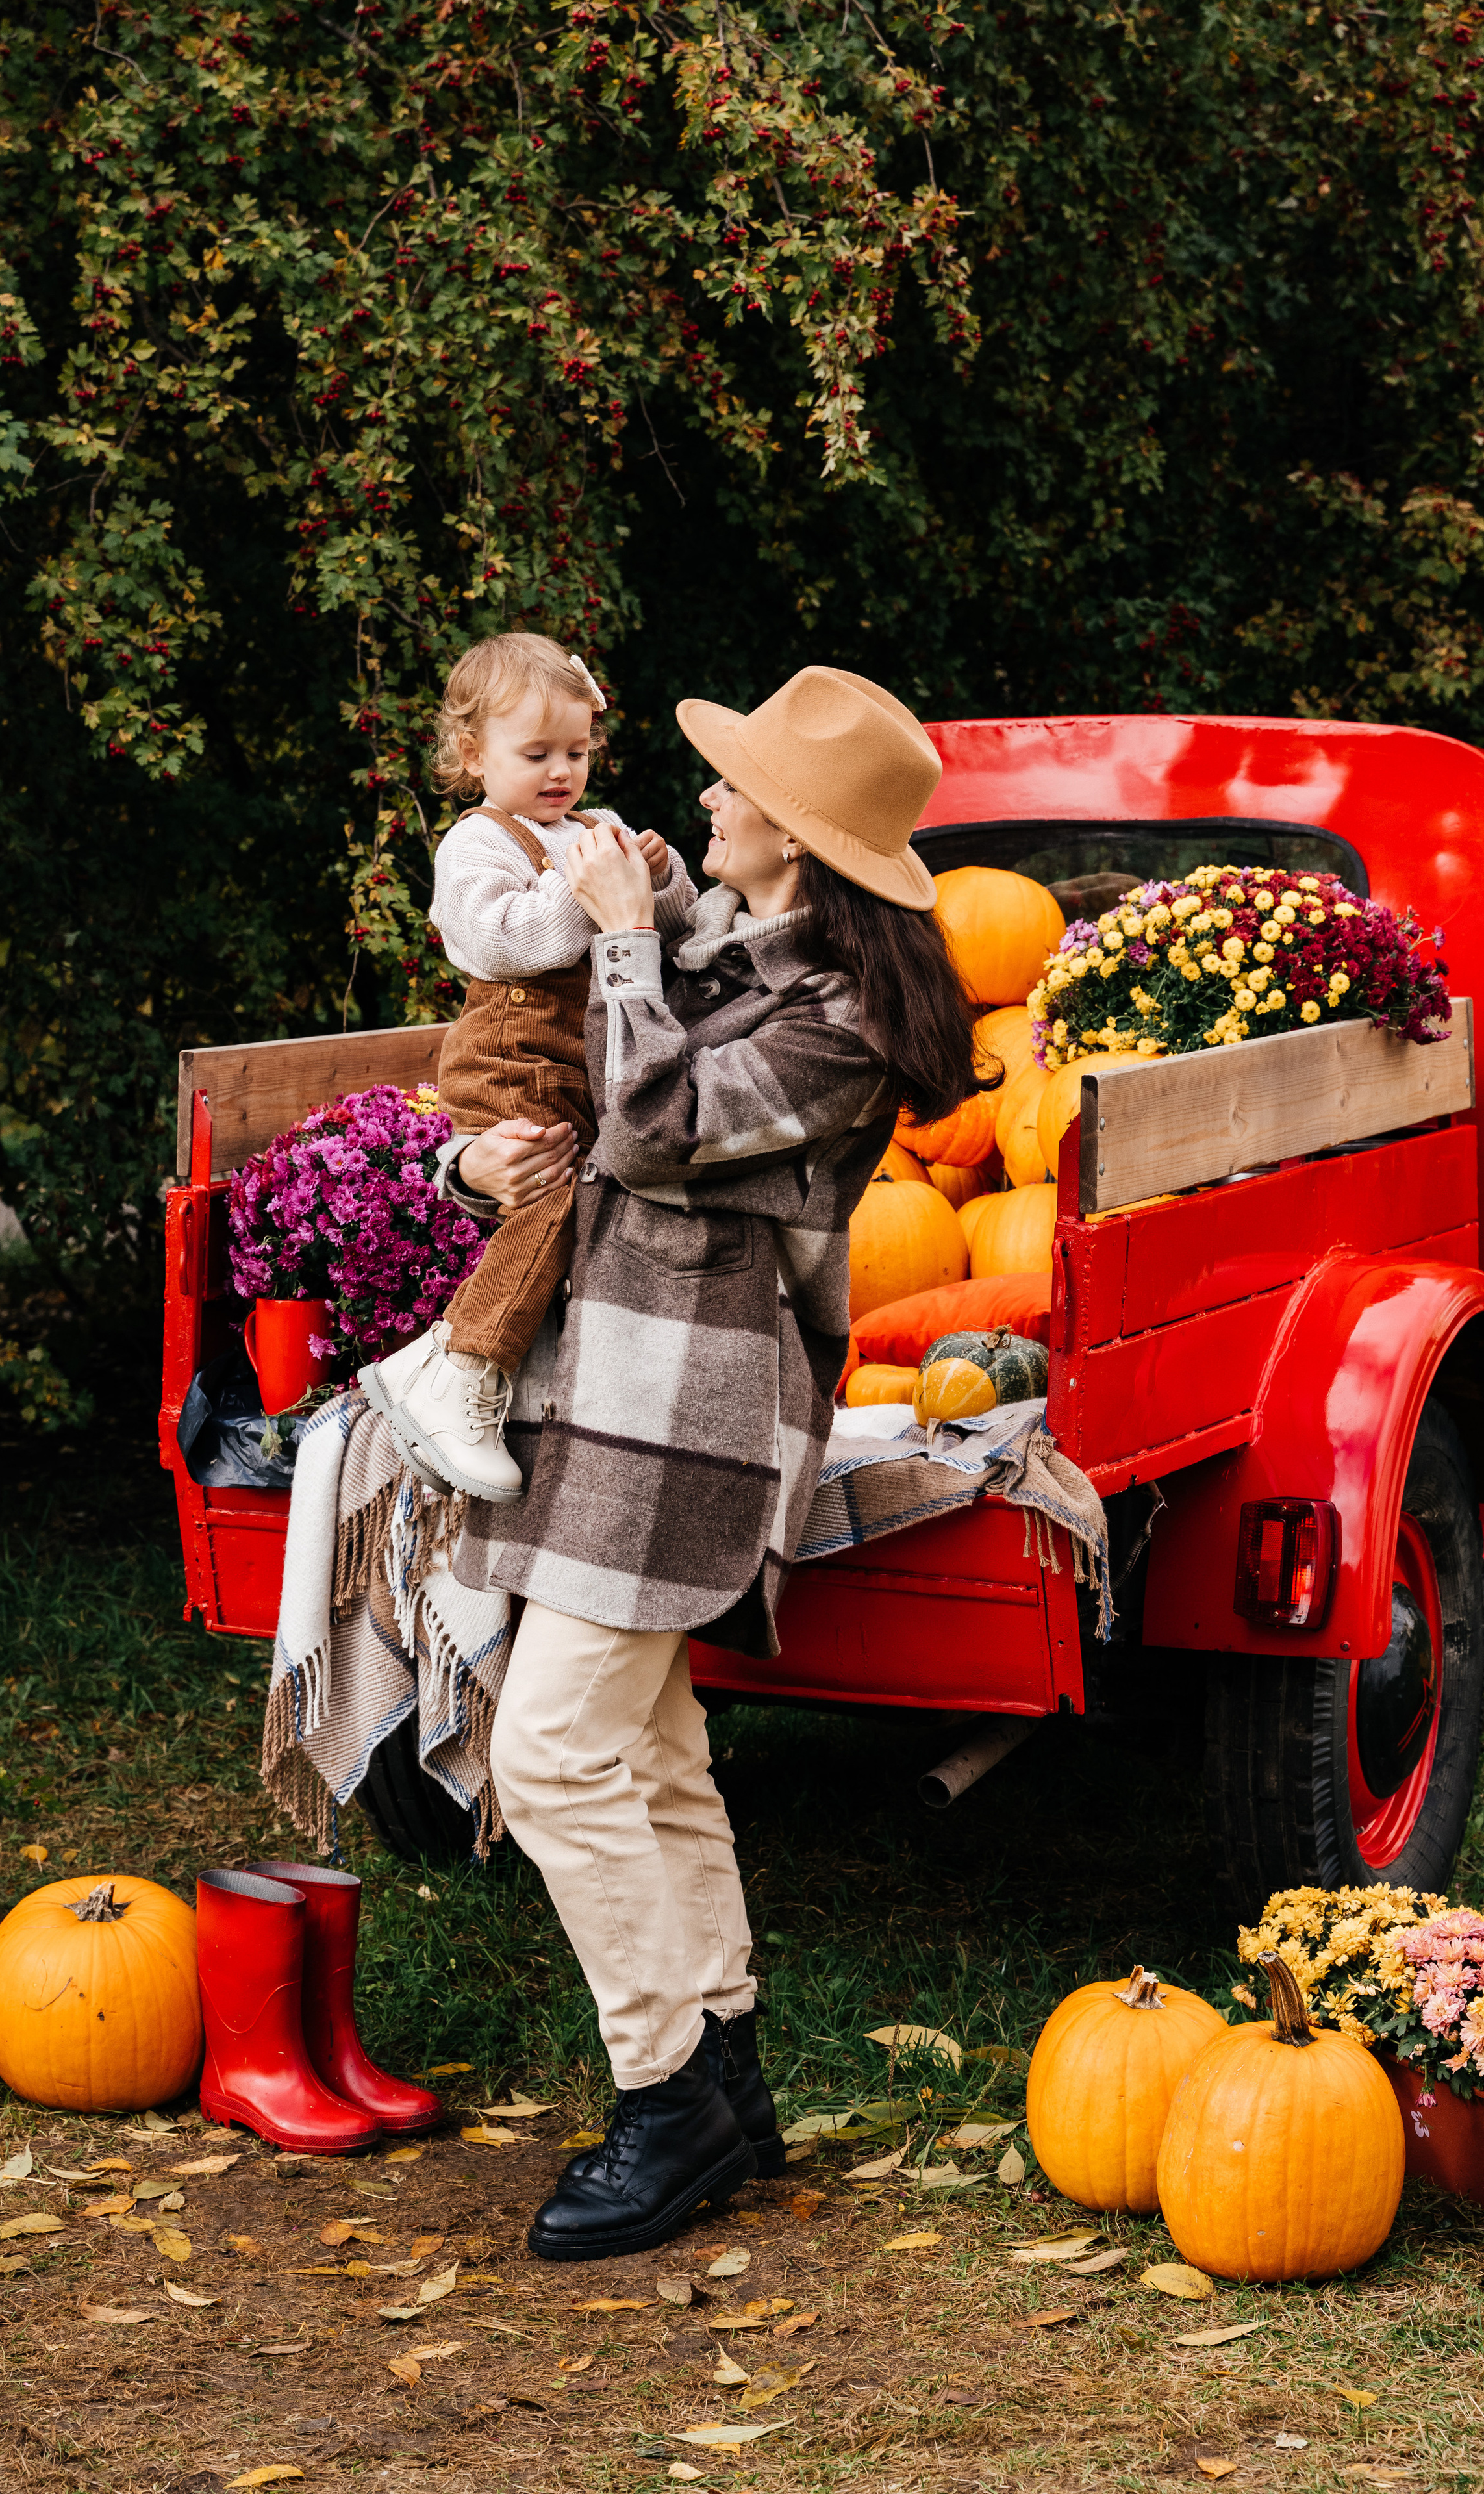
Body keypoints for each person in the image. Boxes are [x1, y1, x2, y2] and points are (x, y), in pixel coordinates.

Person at [447, 665, 982, 2258]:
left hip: (690, 1419)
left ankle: (662, 2095)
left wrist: (615, 936)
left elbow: (654, 1127)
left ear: (797, 841)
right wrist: (469, 1146)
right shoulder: (725, 947)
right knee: (653, 1744)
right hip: (609, 1387)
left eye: (733, 786)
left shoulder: (844, 1021)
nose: (702, 800)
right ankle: (725, 2068)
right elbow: (554, 1086)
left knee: (550, 1754)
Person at [368, 632, 696, 1500]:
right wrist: (589, 886)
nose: (562, 772)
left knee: (588, 1205)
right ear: (475, 756)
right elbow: (507, 942)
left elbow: (674, 923)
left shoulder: (599, 828)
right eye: (537, 753)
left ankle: (525, 1385)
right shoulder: (477, 845)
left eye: (578, 752)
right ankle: (460, 1368)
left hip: (582, 1062)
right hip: (513, 1056)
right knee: (551, 1202)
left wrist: (656, 878)